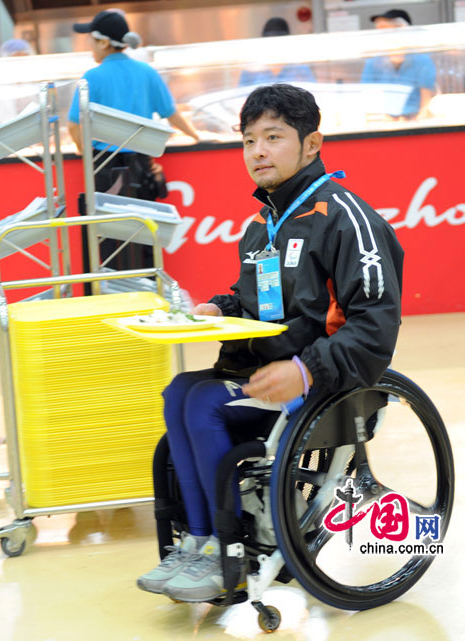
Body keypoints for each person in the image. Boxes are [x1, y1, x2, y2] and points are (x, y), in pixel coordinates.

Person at [137, 83, 404, 602]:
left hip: (325, 385)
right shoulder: (262, 225)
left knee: (204, 404)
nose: (257, 151)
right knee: (178, 392)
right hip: (264, 375)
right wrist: (218, 308)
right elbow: (252, 298)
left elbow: (374, 324)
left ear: (311, 144)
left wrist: (305, 370)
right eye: (248, 140)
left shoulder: (346, 218)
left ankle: (224, 549)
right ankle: (198, 542)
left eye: (273, 137)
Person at [68, 9, 200, 269]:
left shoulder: (92, 77)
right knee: (144, 234)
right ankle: (149, 292)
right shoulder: (146, 72)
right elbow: (171, 113)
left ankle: (114, 297)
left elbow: (74, 125)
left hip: (105, 167)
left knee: (108, 239)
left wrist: (84, 151)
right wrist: (196, 136)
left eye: (91, 40)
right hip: (141, 164)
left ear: (103, 42)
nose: (89, 47)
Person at [361, 9, 436, 119]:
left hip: (414, 120)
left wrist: (418, 122)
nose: (380, 34)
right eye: (378, 29)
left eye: (384, 29)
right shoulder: (374, 61)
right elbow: (369, 96)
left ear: (402, 29)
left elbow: (426, 100)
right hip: (383, 120)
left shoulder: (421, 60)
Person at [239, 17, 316, 87]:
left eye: (278, 41)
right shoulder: (252, 68)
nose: (274, 47)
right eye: (270, 41)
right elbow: (241, 96)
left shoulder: (299, 66)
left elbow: (312, 91)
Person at [0, 38, 37, 129]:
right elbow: (4, 116)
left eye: (24, 57)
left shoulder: (33, 79)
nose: (21, 62)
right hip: (6, 133)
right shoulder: (0, 82)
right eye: (17, 57)